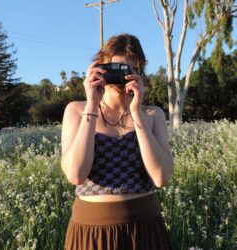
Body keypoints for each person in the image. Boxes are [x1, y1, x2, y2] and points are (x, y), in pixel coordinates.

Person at [61, 33, 174, 250]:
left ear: (140, 73)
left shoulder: (152, 114)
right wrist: (92, 105)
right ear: (99, 69)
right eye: (114, 70)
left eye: (129, 71)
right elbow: (76, 174)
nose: (121, 78)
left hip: (144, 228)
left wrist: (136, 113)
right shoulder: (76, 110)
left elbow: (161, 177)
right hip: (91, 230)